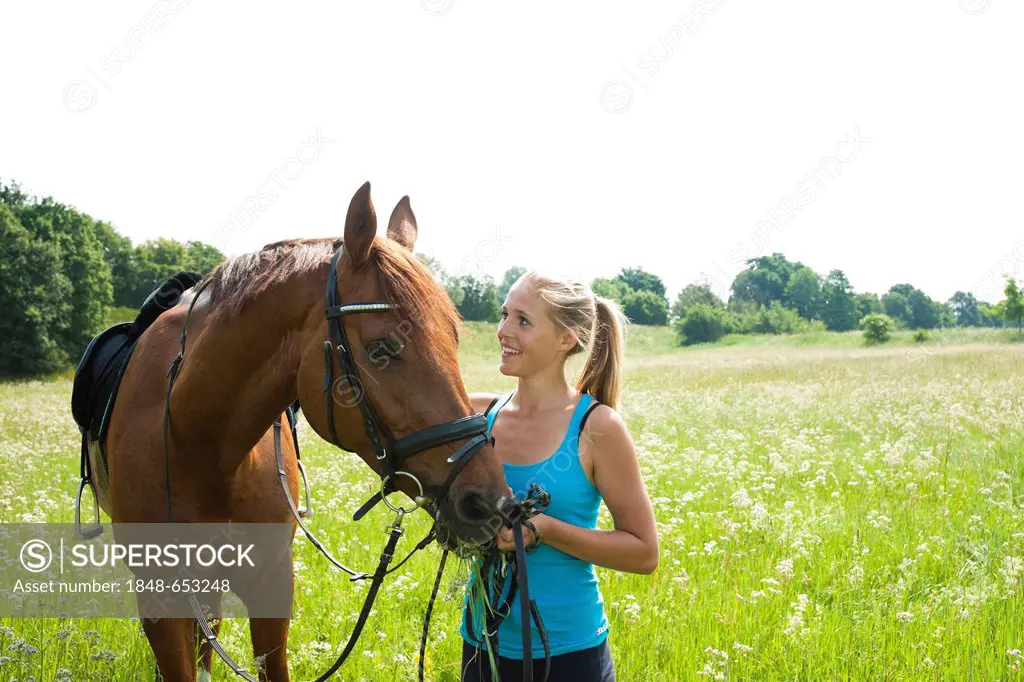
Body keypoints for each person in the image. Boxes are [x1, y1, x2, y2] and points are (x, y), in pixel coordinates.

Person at [459, 271, 659, 682]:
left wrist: (546, 530)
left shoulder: (597, 428)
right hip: (482, 647)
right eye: (504, 315)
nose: (502, 331)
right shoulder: (477, 415)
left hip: (568, 654)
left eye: (523, 321)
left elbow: (643, 553)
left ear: (567, 339)